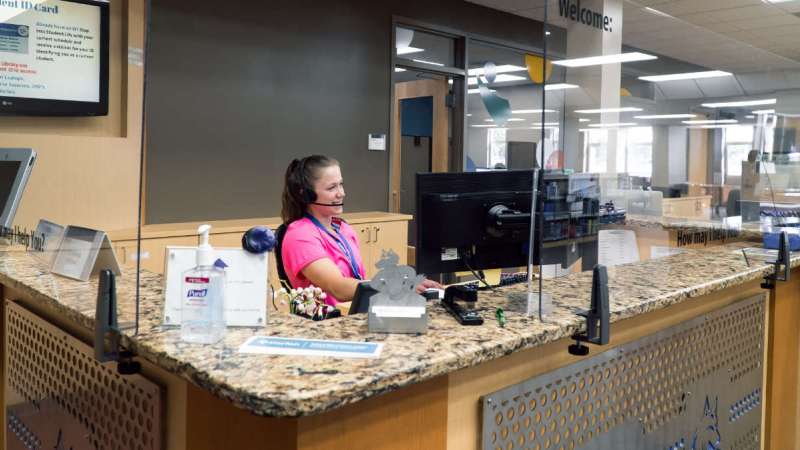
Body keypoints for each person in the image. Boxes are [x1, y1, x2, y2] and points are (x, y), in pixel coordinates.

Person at [280, 155, 440, 308]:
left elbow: (358, 282)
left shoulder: (343, 229)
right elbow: (338, 289)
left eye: (341, 184)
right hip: (328, 324)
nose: (341, 193)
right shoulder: (300, 236)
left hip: (355, 313)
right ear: (306, 194)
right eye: (331, 187)